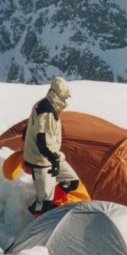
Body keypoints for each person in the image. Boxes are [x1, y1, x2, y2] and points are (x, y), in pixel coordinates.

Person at [23, 76, 81, 215]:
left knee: (72, 182)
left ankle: (51, 204)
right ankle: (39, 219)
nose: (66, 100)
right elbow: (42, 140)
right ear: (59, 95)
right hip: (42, 160)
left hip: (51, 156)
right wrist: (53, 160)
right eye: (65, 97)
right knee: (43, 202)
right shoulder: (47, 110)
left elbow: (30, 129)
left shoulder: (45, 105)